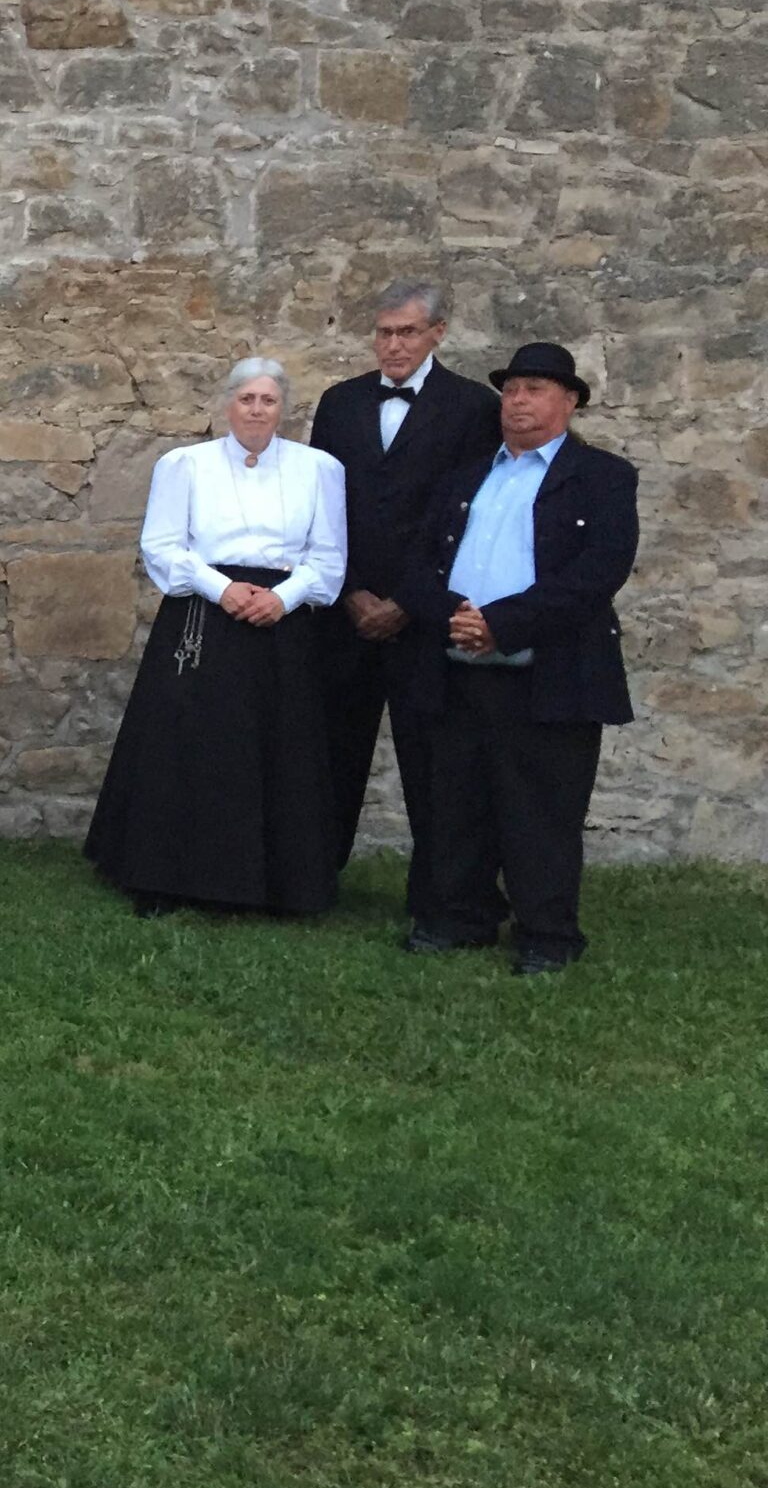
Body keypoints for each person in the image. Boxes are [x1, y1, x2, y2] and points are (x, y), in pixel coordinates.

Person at [395, 343, 638, 975]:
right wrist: (455, 616)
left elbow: (597, 574)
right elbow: (418, 563)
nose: (519, 401)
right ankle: (461, 918)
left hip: (549, 672)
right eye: (511, 390)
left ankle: (547, 935)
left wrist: (502, 624)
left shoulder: (604, 477)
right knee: (458, 804)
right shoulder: (467, 474)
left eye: (534, 389)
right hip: (458, 663)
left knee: (543, 812)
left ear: (571, 401)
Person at [84, 358, 348, 916]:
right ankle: (167, 877)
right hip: (203, 615)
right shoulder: (185, 464)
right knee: (187, 744)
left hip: (283, 619)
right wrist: (220, 587)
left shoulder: (318, 468)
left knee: (277, 746)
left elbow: (327, 557)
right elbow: (162, 545)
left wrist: (285, 597)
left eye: (268, 400)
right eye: (246, 399)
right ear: (227, 404)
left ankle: (274, 884)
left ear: (284, 408)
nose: (256, 410)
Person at [308, 280, 502, 919]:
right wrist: (352, 591)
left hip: (425, 616)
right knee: (331, 752)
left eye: (408, 332)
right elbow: (324, 506)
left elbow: (467, 514)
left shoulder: (474, 406)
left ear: (438, 333)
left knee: (434, 761)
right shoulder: (339, 403)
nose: (393, 344)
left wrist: (410, 601)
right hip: (347, 611)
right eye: (385, 332)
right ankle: (313, 879)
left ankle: (443, 895)